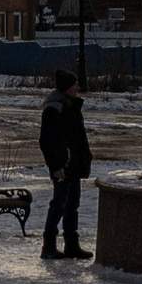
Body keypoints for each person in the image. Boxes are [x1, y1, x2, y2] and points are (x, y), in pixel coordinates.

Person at [39, 69, 93, 259]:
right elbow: (48, 141)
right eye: (74, 84)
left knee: (72, 205)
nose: (78, 87)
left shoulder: (69, 106)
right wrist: (56, 166)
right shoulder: (55, 109)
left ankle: (71, 245)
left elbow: (76, 138)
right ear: (66, 87)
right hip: (63, 166)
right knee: (59, 205)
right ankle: (49, 246)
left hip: (72, 165)